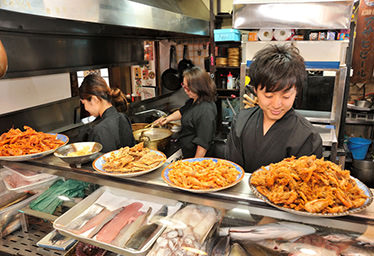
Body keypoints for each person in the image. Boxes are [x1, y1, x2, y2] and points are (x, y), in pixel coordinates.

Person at [226, 44, 323, 172]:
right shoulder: (241, 121)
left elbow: (308, 186)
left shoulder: (308, 137)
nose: (277, 104)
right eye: (268, 95)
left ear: (297, 92)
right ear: (256, 90)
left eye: (286, 96)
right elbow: (231, 172)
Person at [156, 66, 217, 158]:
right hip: (188, 153)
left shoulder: (206, 110)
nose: (185, 91)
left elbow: (203, 143)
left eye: (188, 88)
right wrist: (166, 119)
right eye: (183, 86)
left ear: (199, 87)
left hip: (198, 158)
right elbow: (182, 111)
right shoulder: (194, 100)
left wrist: (195, 164)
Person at [78, 74, 135, 153]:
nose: (85, 108)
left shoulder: (99, 130)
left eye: (84, 103)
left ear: (94, 99)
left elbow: (99, 164)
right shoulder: (123, 117)